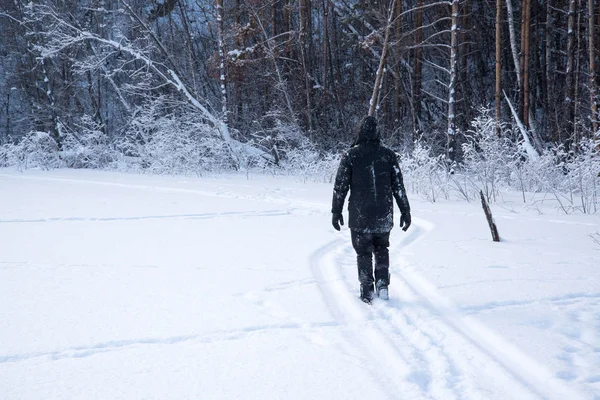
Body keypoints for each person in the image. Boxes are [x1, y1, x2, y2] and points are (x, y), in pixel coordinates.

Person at [331, 116, 411, 303]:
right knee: (382, 248)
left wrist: (336, 211)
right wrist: (405, 211)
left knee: (363, 252)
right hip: (383, 214)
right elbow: (398, 186)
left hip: (360, 215)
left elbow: (340, 186)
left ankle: (366, 288)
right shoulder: (388, 155)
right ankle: (382, 283)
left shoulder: (351, 155)